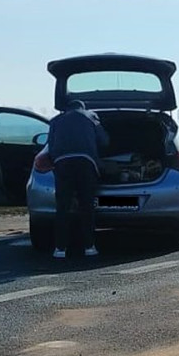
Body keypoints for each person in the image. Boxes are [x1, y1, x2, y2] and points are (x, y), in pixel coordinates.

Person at [47, 99, 109, 259]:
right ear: (83, 108)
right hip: (85, 163)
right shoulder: (91, 117)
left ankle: (60, 249)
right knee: (86, 206)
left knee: (62, 207)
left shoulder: (56, 121)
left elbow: (51, 146)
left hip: (62, 164)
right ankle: (89, 247)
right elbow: (105, 141)